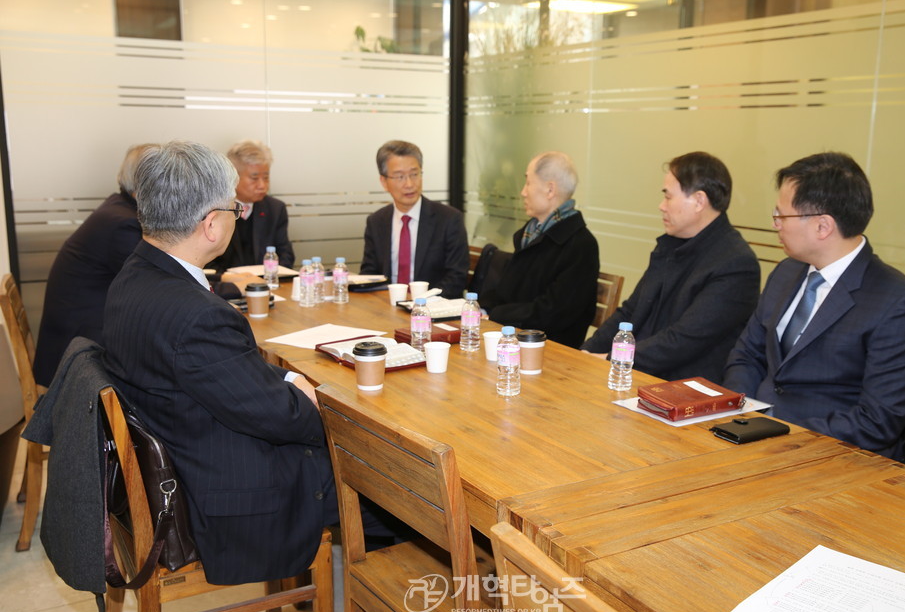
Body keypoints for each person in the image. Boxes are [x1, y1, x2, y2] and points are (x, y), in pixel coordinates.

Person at [101, 141, 335, 584]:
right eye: (235, 209)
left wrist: (285, 377)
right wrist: (302, 396)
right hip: (224, 499)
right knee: (390, 488)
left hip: (189, 453)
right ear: (212, 225)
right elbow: (286, 418)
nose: (238, 216)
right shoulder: (194, 317)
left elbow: (225, 376)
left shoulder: (135, 276)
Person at [723, 152, 905, 457]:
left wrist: (776, 432)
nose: (775, 225)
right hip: (749, 438)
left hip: (832, 458)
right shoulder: (786, 271)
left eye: (782, 216)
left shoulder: (900, 304)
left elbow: (877, 422)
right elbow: (747, 354)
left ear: (823, 226)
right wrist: (742, 412)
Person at [581, 152, 760, 382]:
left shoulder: (736, 264)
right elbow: (629, 312)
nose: (661, 206)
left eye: (668, 197)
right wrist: (585, 354)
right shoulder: (671, 245)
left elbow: (683, 340)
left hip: (682, 391)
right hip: (638, 375)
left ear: (698, 201)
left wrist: (610, 359)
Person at [32, 144, 155, 388]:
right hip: (79, 348)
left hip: (79, 333)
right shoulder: (124, 224)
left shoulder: (118, 209)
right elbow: (154, 285)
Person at [479, 152, 599, 348]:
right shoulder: (531, 234)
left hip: (549, 349)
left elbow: (553, 312)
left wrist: (495, 314)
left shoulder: (580, 245)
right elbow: (505, 290)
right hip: (513, 337)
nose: (523, 192)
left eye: (528, 183)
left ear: (550, 189)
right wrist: (480, 308)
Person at [360, 140, 469, 299]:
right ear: (384, 182)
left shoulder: (449, 219)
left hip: (432, 309)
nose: (409, 184)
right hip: (387, 306)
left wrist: (418, 302)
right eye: (400, 177)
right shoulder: (376, 221)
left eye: (414, 174)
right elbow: (370, 273)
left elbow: (457, 278)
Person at [206, 140, 295, 271]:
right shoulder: (214, 209)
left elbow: (286, 255)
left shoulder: (275, 209)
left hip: (265, 284)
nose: (262, 185)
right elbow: (205, 259)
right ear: (234, 177)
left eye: (266, 177)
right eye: (254, 178)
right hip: (224, 286)